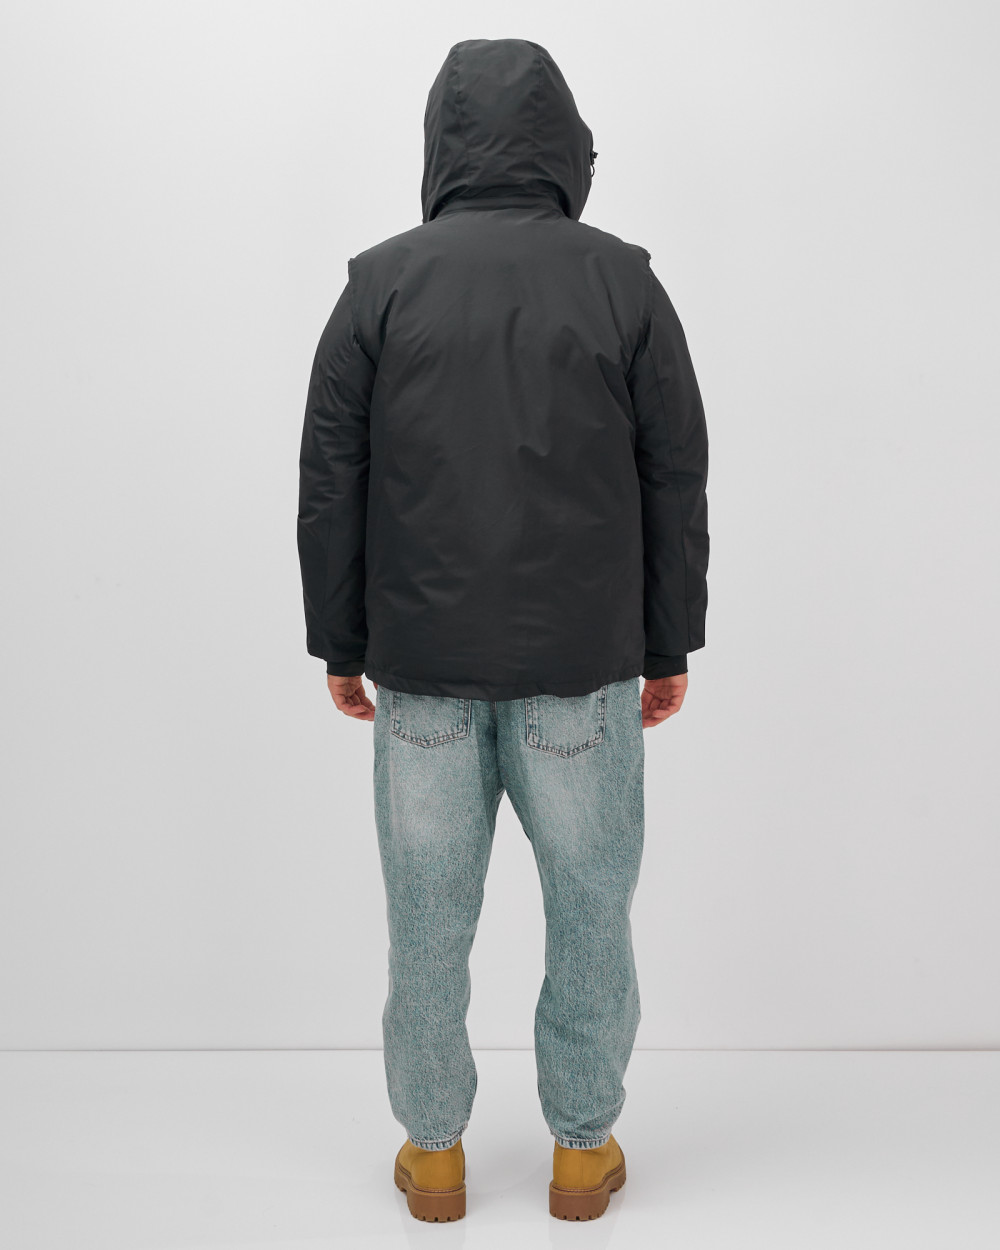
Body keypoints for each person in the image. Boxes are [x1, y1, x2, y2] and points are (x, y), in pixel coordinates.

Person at [297, 36, 709, 1223]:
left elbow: (331, 479)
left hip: (421, 664)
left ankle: (433, 1153)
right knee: (590, 907)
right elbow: (674, 474)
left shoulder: (378, 283)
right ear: (565, 144)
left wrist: (340, 641)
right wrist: (667, 642)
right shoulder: (623, 280)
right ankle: (583, 1149)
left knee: (427, 920)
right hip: (582, 663)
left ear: (441, 142)